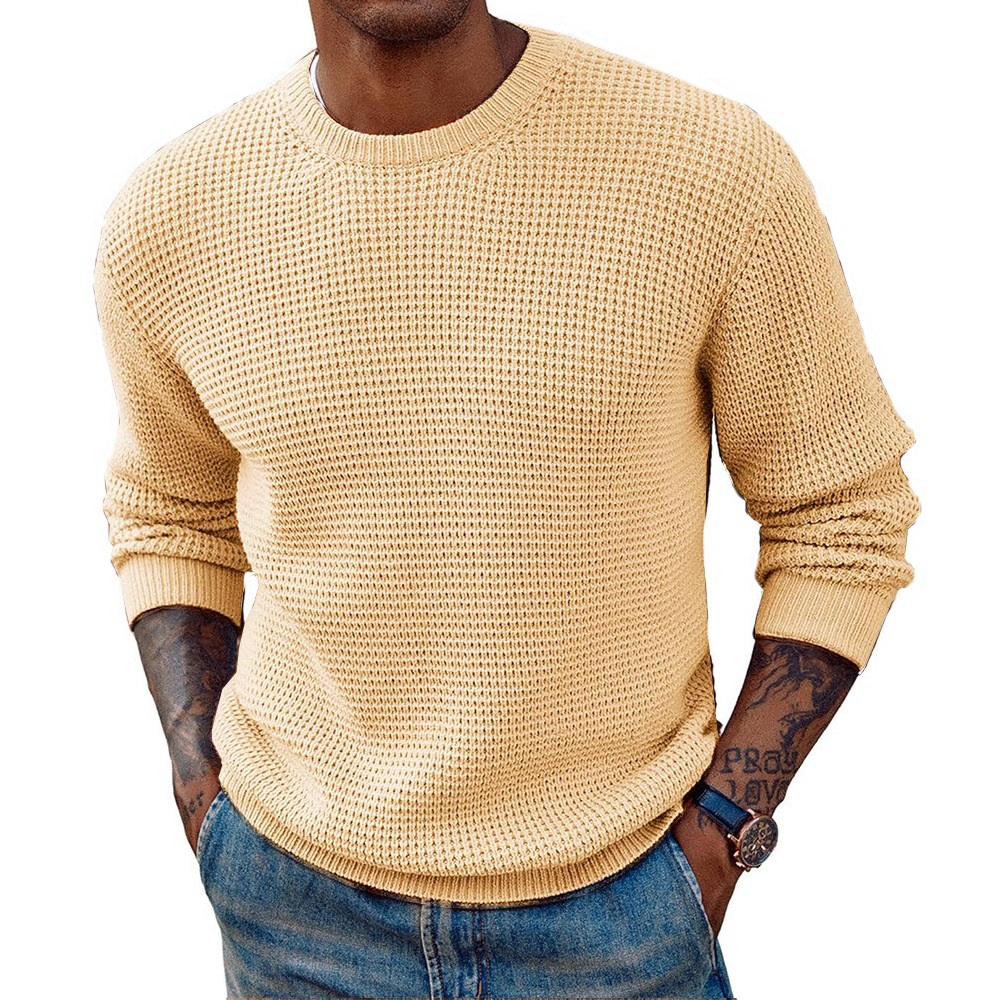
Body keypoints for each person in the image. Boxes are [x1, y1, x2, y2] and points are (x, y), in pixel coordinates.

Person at [94, 3, 920, 997]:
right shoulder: (173, 215)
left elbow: (841, 518)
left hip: (623, 916)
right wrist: (202, 793)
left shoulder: (711, 172)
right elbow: (171, 512)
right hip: (292, 911)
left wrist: (724, 830)